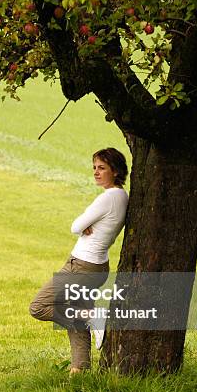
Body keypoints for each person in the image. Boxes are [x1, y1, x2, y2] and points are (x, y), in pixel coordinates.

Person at [29, 147, 129, 374]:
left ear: (115, 171)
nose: (96, 172)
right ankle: (79, 370)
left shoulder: (108, 198)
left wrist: (84, 226)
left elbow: (75, 226)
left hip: (82, 266)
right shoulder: (122, 196)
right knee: (75, 316)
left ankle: (94, 315)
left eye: (102, 168)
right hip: (97, 267)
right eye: (94, 167)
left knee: (39, 306)